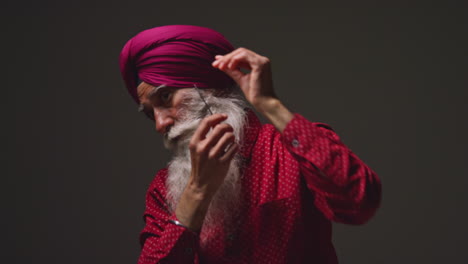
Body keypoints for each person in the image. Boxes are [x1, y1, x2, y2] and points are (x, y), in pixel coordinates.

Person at [119, 25, 381, 264]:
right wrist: (196, 194)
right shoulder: (162, 189)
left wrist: (269, 103)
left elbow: (359, 200)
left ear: (210, 88)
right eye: (149, 113)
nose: (160, 123)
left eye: (165, 97)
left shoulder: (290, 150)